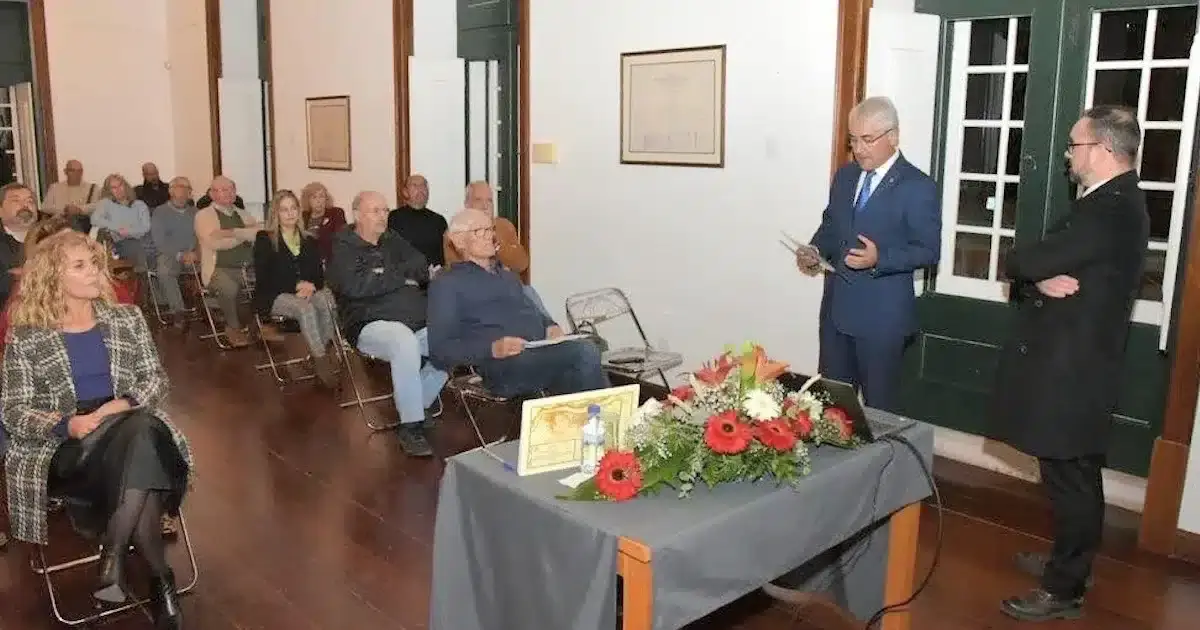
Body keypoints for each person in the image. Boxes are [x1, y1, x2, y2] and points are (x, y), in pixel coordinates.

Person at [990, 106, 1149, 622]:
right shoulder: (1111, 203)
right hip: (1080, 363)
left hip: (1076, 369)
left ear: (1102, 150)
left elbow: (1025, 259)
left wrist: (1028, 270)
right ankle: (1070, 562)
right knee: (1070, 473)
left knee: (1071, 476)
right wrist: (1037, 278)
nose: (1067, 155)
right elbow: (1042, 266)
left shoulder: (1111, 208)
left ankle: (1065, 587)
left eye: (1073, 145)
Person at [2, 229, 192, 628]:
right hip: (67, 443)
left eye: (94, 263)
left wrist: (120, 405)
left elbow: (156, 380)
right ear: (54, 277)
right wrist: (66, 423)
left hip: (126, 418)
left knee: (139, 431)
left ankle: (116, 554)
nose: (95, 272)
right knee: (143, 446)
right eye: (80, 265)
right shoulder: (28, 335)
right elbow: (13, 409)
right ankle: (159, 580)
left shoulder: (126, 317)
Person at [795, 96, 940, 412]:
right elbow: (832, 225)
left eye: (868, 140)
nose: (859, 149)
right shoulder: (846, 177)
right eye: (853, 140)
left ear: (893, 137)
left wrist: (881, 258)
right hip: (836, 315)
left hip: (882, 321)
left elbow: (929, 251)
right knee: (832, 410)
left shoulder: (918, 186)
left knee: (879, 414)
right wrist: (815, 249)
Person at [429, 208, 608, 397]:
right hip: (503, 366)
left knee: (589, 350)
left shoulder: (507, 276)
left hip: (539, 351)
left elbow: (533, 312)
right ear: (458, 240)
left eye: (490, 229)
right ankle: (605, 422)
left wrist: (550, 326)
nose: (490, 236)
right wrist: (492, 348)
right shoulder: (447, 284)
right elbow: (440, 350)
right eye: (480, 231)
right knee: (584, 354)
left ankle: (590, 422)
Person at [327, 191, 447, 457]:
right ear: (358, 214)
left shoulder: (392, 240)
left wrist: (386, 275)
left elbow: (419, 263)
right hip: (368, 323)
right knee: (402, 340)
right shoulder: (343, 247)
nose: (383, 216)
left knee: (452, 334)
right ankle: (410, 426)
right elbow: (355, 287)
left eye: (385, 210)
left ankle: (417, 400)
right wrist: (400, 277)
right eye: (376, 211)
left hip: (414, 318)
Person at [254, 190, 340, 387]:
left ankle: (322, 351)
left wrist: (311, 286)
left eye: (293, 208)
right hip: (274, 294)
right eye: (284, 210)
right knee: (305, 308)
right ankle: (322, 364)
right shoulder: (265, 239)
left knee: (327, 299)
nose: (290, 213)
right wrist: (295, 286)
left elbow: (318, 275)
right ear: (276, 213)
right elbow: (264, 277)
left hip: (306, 291)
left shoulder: (309, 239)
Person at [195, 176, 261, 347]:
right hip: (218, 269)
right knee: (231, 289)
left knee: (270, 282)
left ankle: (260, 326)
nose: (228, 193)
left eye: (231, 189)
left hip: (248, 267)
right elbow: (214, 242)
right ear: (212, 194)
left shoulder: (242, 213)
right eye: (222, 190)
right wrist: (242, 234)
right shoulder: (203, 216)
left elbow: (257, 234)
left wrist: (230, 232)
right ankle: (233, 327)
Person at [388, 174, 447, 267]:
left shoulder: (439, 220)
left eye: (423, 186)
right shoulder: (393, 218)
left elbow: (446, 254)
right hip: (402, 277)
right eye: (415, 185)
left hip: (434, 278)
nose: (420, 189)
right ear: (405, 192)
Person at [298, 181, 347, 263]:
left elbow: (340, 238)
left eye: (321, 196)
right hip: (307, 260)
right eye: (314, 197)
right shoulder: (303, 216)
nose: (319, 201)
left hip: (328, 260)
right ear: (307, 200)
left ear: (326, 199)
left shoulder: (336, 213)